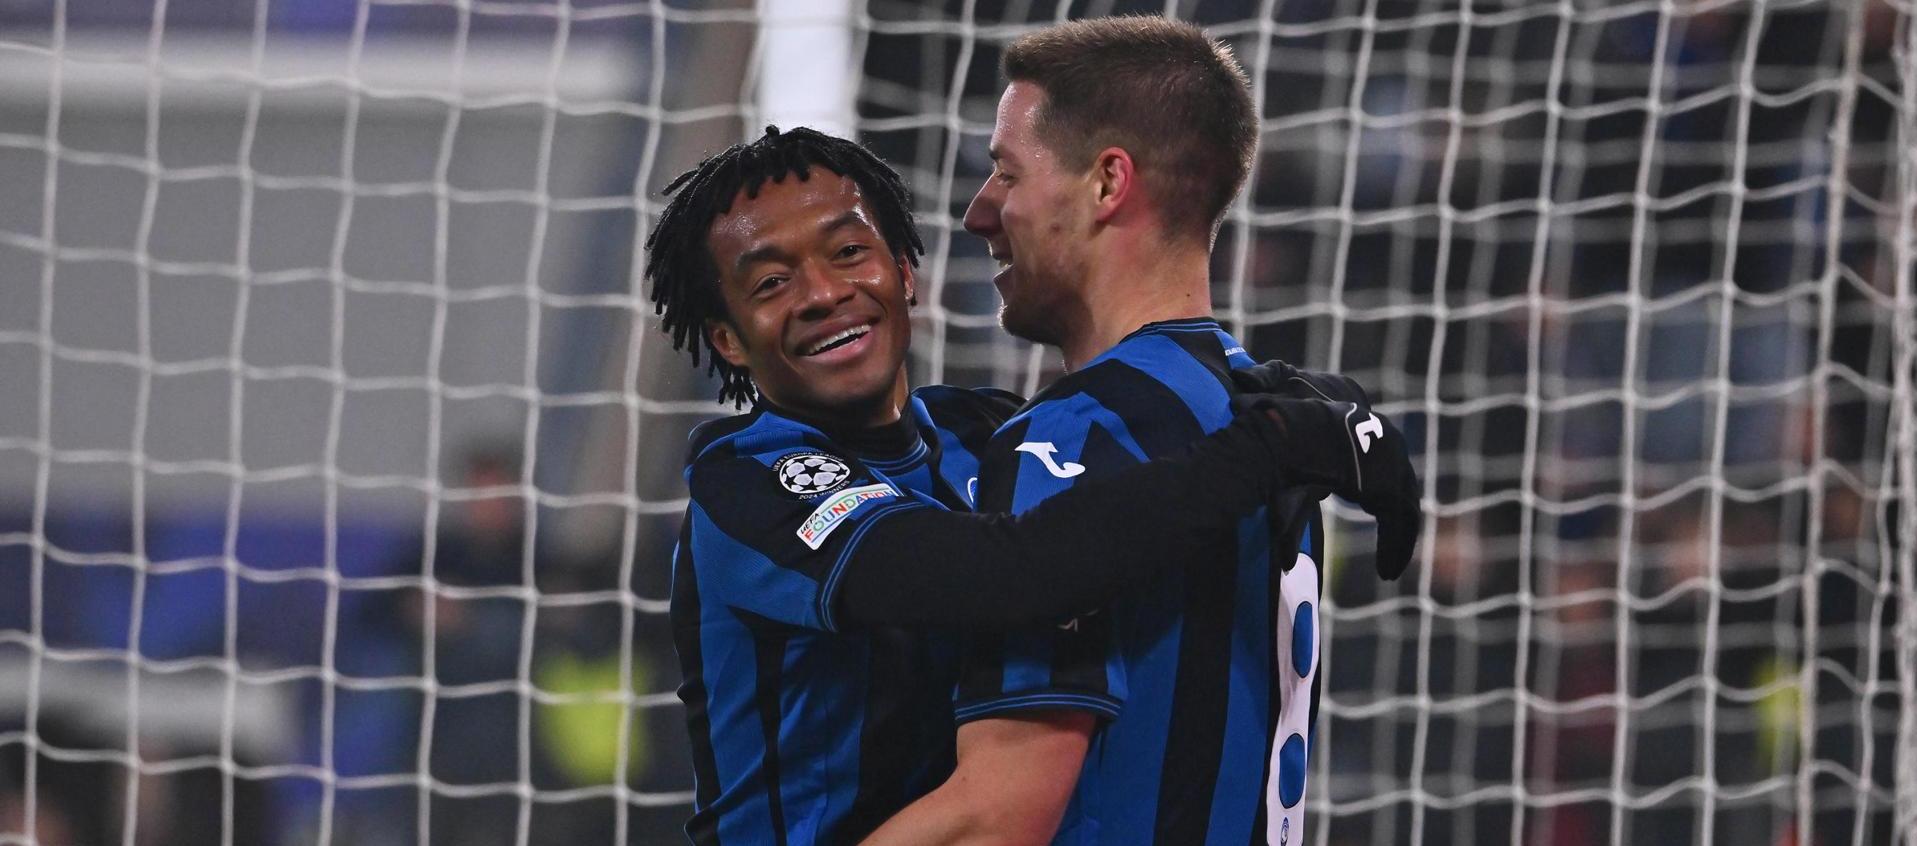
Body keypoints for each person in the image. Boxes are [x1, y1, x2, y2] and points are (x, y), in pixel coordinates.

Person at [644, 126, 1413, 844]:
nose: (820, 293)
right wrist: (1280, 441)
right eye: (771, 282)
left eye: (848, 252)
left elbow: (1152, 460)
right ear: (727, 340)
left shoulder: (981, 430)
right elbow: (1010, 573)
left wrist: (1309, 395)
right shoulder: (749, 482)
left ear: (905, 273)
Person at [862, 16, 1421, 846]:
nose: (981, 211)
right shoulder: (1275, 418)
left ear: (1106, 183)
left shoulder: (1078, 435)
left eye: (1006, 173)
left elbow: (994, 818)